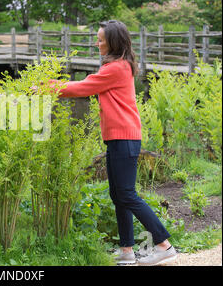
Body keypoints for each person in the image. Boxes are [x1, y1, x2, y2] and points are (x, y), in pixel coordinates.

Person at [43, 20, 177, 266]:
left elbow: (83, 87)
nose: (97, 43)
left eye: (101, 39)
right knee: (118, 194)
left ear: (113, 42)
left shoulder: (116, 68)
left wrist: (48, 87)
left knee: (127, 194)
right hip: (119, 138)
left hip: (124, 138)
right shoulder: (118, 66)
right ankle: (126, 251)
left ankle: (163, 245)